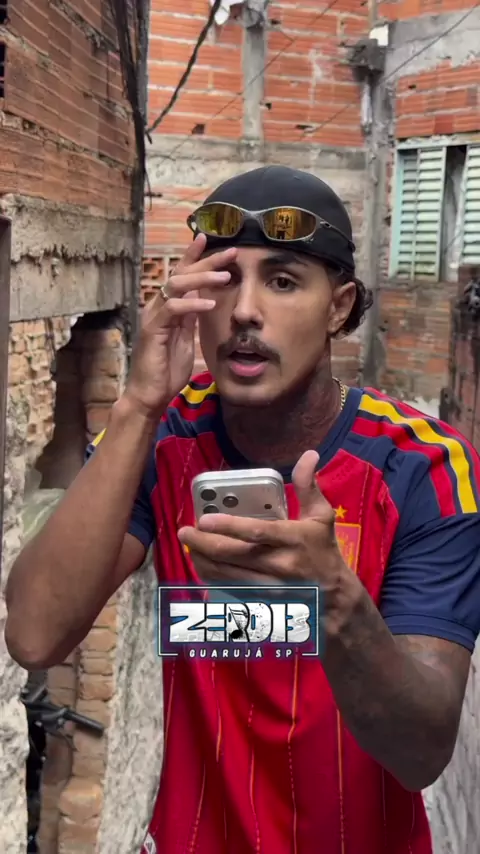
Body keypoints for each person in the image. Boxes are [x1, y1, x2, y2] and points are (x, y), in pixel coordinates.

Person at [6, 165, 480, 854]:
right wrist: (138, 403)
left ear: (339, 306)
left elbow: (422, 751)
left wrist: (334, 601)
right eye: (224, 280)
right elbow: (34, 635)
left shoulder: (423, 466)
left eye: (282, 281)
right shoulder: (162, 436)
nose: (244, 311)